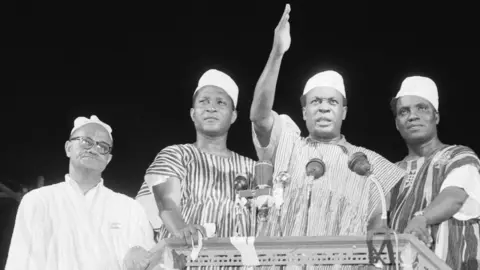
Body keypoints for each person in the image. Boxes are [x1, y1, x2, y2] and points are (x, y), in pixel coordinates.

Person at [249, 4, 405, 268]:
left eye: (332, 102)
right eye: (316, 101)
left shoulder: (370, 164)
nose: (323, 107)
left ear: (343, 112)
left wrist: (380, 234)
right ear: (304, 111)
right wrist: (277, 53)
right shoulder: (287, 144)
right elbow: (259, 116)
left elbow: (378, 224)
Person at [4, 115, 173, 270]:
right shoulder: (38, 201)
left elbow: (150, 262)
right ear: (68, 147)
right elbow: (19, 261)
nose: (93, 149)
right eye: (86, 141)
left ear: (108, 159)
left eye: (102, 147)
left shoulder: (130, 208)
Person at [136, 69, 256, 246]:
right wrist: (181, 228)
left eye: (221, 102)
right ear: (193, 114)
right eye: (204, 101)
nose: (211, 108)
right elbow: (166, 201)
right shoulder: (176, 154)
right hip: (183, 257)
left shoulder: (251, 168)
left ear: (233, 116)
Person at [388, 76, 480, 270]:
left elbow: (454, 196)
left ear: (435, 117)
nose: (412, 116)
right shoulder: (390, 173)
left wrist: (421, 218)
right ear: (397, 123)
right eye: (404, 112)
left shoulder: (458, 155)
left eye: (421, 108)